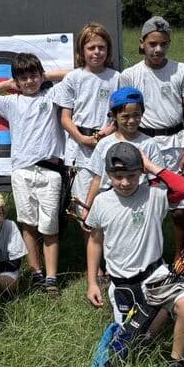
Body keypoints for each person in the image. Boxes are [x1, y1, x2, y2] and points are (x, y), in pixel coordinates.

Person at [84, 142, 184, 367]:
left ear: (141, 173)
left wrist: (151, 166)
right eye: (118, 176)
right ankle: (150, 331)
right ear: (108, 174)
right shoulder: (102, 202)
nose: (125, 182)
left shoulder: (155, 195)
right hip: (122, 283)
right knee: (128, 347)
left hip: (157, 276)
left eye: (132, 175)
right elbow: (95, 242)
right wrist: (92, 282)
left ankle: (176, 363)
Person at [0, 52, 66, 296]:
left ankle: (51, 277)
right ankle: (36, 272)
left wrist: (45, 76)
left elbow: (74, 75)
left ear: (41, 76)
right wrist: (7, 84)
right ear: (17, 81)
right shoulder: (11, 102)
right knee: (28, 224)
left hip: (50, 171)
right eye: (23, 78)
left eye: (33, 76)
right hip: (22, 171)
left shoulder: (52, 96)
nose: (29, 82)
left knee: (50, 227)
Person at [120, 16, 184, 255]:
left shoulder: (181, 70)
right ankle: (148, 255)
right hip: (143, 141)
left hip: (175, 141)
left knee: (179, 207)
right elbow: (124, 114)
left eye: (164, 44)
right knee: (146, 203)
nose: (158, 49)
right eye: (153, 43)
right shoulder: (130, 75)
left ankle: (180, 257)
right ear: (142, 42)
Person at [53, 22, 119, 221]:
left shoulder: (117, 77)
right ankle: (89, 245)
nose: (97, 52)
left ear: (108, 50)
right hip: (80, 147)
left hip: (108, 141)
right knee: (83, 207)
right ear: (82, 51)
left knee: (108, 200)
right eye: (91, 48)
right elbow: (65, 118)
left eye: (101, 47)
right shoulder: (73, 78)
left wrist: (103, 134)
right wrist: (82, 138)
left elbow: (120, 115)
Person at [81, 87, 166, 215]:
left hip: (139, 204)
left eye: (136, 115)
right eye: (125, 116)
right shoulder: (104, 144)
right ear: (114, 116)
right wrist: (87, 208)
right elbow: (98, 178)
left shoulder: (149, 144)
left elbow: (156, 180)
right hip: (109, 203)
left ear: (142, 113)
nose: (131, 121)